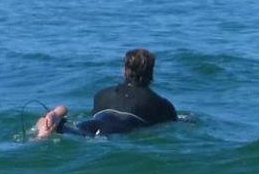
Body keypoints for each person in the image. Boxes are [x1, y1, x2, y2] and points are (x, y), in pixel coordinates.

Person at [34, 48, 179, 138]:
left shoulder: (101, 95)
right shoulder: (161, 104)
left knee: (59, 125)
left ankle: (52, 119)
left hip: (86, 126)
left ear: (125, 71)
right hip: (114, 134)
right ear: (151, 73)